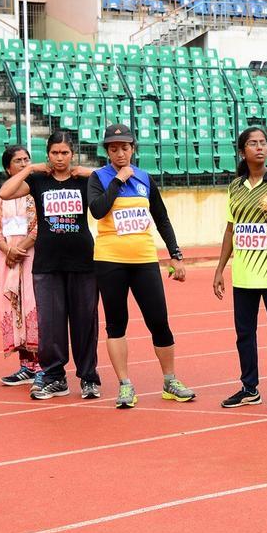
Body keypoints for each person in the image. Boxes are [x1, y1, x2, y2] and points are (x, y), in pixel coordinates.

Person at [87, 123, 191, 410]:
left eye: (124, 147)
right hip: (110, 261)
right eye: (113, 148)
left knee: (159, 321)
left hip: (144, 260)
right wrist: (118, 180)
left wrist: (175, 254)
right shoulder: (98, 178)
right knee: (116, 324)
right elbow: (97, 210)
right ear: (107, 151)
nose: (119, 153)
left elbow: (162, 218)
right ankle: (125, 385)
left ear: (133, 148)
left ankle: (170, 381)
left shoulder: (146, 179)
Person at [0, 130, 103, 401]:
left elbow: (112, 178)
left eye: (65, 153)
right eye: (55, 153)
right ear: (48, 154)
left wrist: (87, 171)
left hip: (82, 261)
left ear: (72, 154)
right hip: (47, 264)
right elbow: (6, 192)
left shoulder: (83, 181)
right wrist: (30, 168)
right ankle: (55, 377)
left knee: (84, 323)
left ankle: (89, 378)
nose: (60, 158)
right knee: (51, 326)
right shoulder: (37, 180)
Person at [213, 126, 267, 413]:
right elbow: (231, 230)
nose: (260, 147)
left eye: (263, 143)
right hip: (244, 276)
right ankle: (250, 388)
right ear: (242, 151)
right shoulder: (235, 187)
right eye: (253, 143)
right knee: (244, 334)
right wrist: (219, 269)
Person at [0, 144, 39, 386]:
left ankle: (42, 364)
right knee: (13, 308)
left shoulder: (35, 189)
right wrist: (8, 249)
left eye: (26, 159)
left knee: (33, 305)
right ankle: (25, 365)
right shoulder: (1, 196)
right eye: (18, 160)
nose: (23, 163)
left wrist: (22, 248)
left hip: (33, 256)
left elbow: (41, 224)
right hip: (8, 260)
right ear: (8, 168)